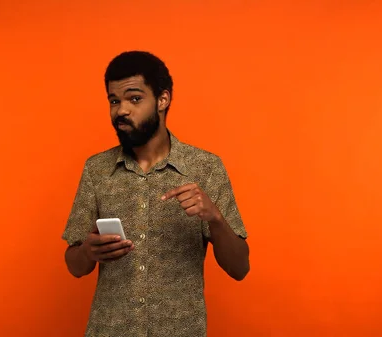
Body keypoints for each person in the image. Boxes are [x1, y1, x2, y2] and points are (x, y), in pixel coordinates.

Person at [62, 50, 249, 337]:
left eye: (134, 98)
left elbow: (240, 268)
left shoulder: (206, 167)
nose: (121, 110)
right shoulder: (96, 169)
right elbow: (75, 266)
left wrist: (216, 219)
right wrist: (88, 251)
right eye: (114, 101)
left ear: (163, 100)